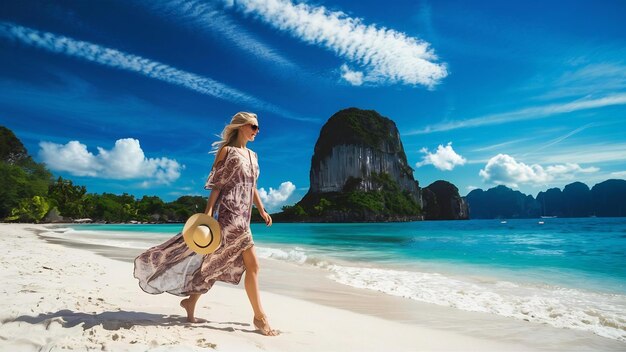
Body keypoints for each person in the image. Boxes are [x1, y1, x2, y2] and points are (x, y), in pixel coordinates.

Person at [134, 111, 278, 336]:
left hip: (245, 216)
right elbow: (218, 185)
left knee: (215, 261)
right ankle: (260, 318)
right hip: (230, 215)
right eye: (253, 126)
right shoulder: (227, 151)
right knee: (253, 266)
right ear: (241, 126)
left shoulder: (254, 155)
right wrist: (208, 213)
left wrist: (261, 209)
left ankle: (191, 302)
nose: (256, 131)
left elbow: (252, 186)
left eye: (258, 128)